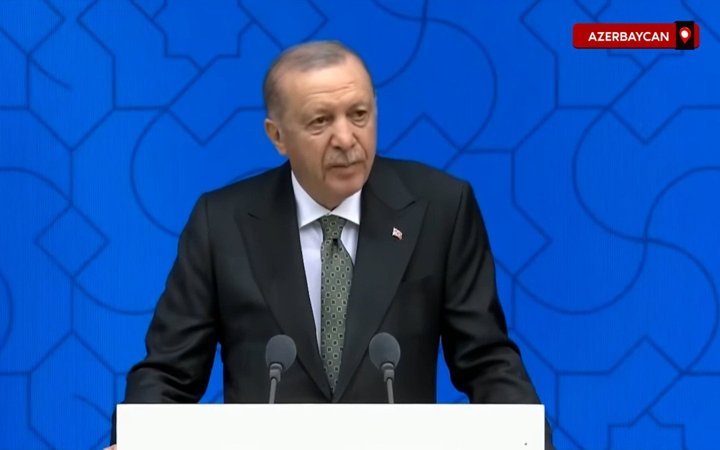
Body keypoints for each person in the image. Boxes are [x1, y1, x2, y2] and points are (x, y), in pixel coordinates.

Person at [109, 40, 554, 449]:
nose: (345, 139)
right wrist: (136, 441)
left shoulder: (440, 208)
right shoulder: (222, 223)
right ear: (277, 136)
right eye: (320, 121)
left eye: (359, 115)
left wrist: (528, 441)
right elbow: (168, 374)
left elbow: (486, 359)